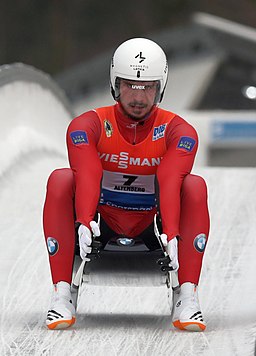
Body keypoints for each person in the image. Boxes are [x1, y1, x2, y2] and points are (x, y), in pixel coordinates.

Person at [43, 38, 210, 331]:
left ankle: (188, 294)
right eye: (130, 85)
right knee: (61, 178)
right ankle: (61, 292)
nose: (138, 96)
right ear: (115, 83)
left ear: (160, 87)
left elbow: (171, 177)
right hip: (100, 220)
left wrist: (171, 231)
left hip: (152, 224)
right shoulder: (88, 124)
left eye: (148, 87)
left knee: (194, 186)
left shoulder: (179, 131)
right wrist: (83, 220)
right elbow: (87, 170)